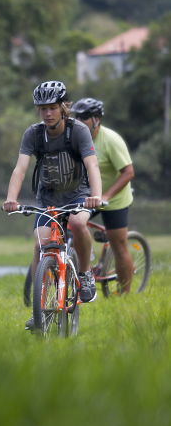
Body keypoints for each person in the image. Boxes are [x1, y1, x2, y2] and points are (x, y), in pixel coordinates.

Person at [2, 81, 103, 327]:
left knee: (79, 223)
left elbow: (92, 165)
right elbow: (20, 169)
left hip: (79, 195)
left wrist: (96, 195)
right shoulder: (33, 134)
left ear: (63, 107)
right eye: (42, 109)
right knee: (41, 241)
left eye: (52, 108)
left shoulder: (77, 130)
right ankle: (41, 310)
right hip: (48, 198)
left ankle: (85, 274)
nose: (47, 113)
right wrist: (11, 198)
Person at [71, 97, 136, 293]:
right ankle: (84, 264)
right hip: (87, 196)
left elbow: (128, 172)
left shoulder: (111, 140)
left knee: (119, 244)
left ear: (97, 119)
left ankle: (124, 295)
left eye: (85, 117)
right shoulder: (74, 139)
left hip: (114, 199)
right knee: (73, 225)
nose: (79, 121)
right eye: (77, 117)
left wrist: (105, 195)